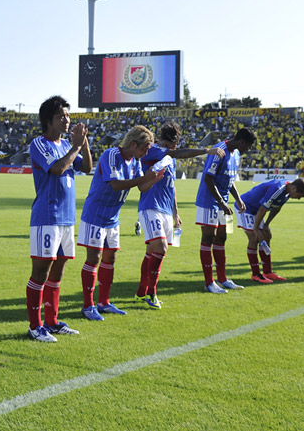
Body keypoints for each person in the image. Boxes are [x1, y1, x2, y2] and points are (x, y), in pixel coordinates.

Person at [78, 125, 164, 321]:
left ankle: (104, 302)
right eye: (145, 148)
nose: (146, 152)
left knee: (110, 259)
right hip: (95, 215)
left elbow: (141, 186)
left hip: (112, 218)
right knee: (94, 259)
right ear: (133, 145)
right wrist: (145, 177)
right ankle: (88, 306)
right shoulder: (111, 155)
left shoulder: (134, 161)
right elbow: (115, 184)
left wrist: (154, 179)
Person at [135, 123, 223, 309]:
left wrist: (175, 213)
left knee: (152, 252)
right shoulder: (155, 150)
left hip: (166, 210)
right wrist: (207, 150)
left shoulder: (169, 157)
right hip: (150, 207)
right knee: (160, 249)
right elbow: (174, 154)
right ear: (174, 143)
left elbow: (171, 186)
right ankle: (152, 293)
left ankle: (142, 291)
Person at [25, 96, 91, 342]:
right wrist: (75, 147)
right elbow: (57, 169)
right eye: (62, 116)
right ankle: (35, 326)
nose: (67, 120)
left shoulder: (67, 145)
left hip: (66, 218)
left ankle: (52, 322)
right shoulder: (40, 144)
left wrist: (82, 144)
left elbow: (86, 168)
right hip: (47, 217)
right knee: (40, 272)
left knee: (58, 271)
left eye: (68, 115)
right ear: (48, 121)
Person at [195, 127, 257, 294]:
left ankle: (222, 278)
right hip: (209, 201)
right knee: (209, 237)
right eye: (249, 146)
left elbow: (229, 179)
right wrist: (221, 202)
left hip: (225, 203)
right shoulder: (219, 150)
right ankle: (209, 282)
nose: (248, 150)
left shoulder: (236, 154)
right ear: (242, 142)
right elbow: (208, 178)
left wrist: (238, 199)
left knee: (222, 238)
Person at [238, 177, 304, 282]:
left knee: (267, 235)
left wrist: (266, 225)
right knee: (254, 237)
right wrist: (256, 229)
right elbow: (263, 209)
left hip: (257, 210)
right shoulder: (278, 189)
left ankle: (267, 272)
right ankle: (255, 274)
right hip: (245, 207)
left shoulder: (287, 192)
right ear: (294, 188)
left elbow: (277, 208)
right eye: (299, 195)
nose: (298, 198)